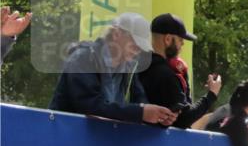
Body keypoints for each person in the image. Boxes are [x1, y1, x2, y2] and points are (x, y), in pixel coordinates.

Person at [49, 12, 177, 126]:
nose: (137, 50)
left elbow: (140, 101)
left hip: (102, 143)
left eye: (141, 47)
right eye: (135, 44)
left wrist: (160, 117)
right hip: (65, 139)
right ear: (116, 34)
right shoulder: (83, 58)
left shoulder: (130, 68)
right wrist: (140, 112)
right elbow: (90, 106)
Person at [139, 13, 221, 129]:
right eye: (180, 39)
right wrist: (211, 94)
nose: (182, 44)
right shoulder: (167, 76)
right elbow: (185, 119)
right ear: (167, 39)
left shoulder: (140, 66)